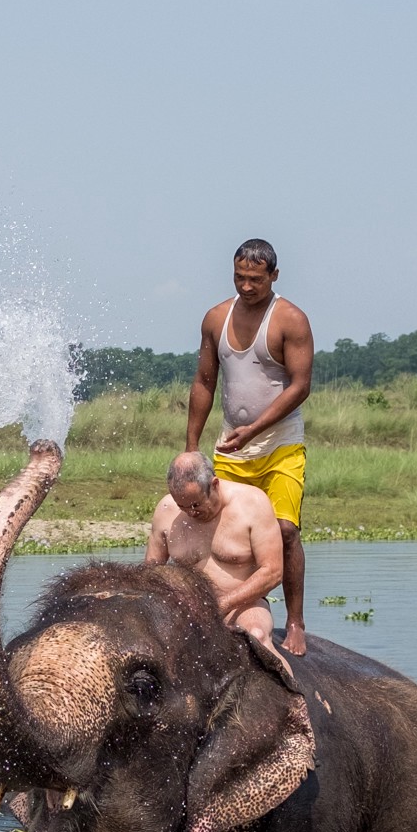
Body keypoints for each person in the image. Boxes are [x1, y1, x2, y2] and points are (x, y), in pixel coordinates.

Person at [186, 238, 315, 656]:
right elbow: (205, 382)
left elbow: (300, 387)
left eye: (255, 279)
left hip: (280, 445)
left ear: (274, 276)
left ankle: (294, 621)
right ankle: (231, 608)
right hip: (231, 447)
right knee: (214, 528)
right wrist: (192, 449)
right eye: (239, 277)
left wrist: (256, 428)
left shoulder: (290, 319)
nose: (246, 286)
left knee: (285, 530)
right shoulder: (216, 318)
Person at [148, 452, 287, 657]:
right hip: (186, 608)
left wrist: (223, 605)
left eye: (196, 504)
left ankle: (293, 690)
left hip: (241, 606)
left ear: (214, 484)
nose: (191, 513)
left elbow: (273, 572)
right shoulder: (166, 510)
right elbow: (150, 573)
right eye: (182, 506)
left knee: (257, 636)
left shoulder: (253, 504)